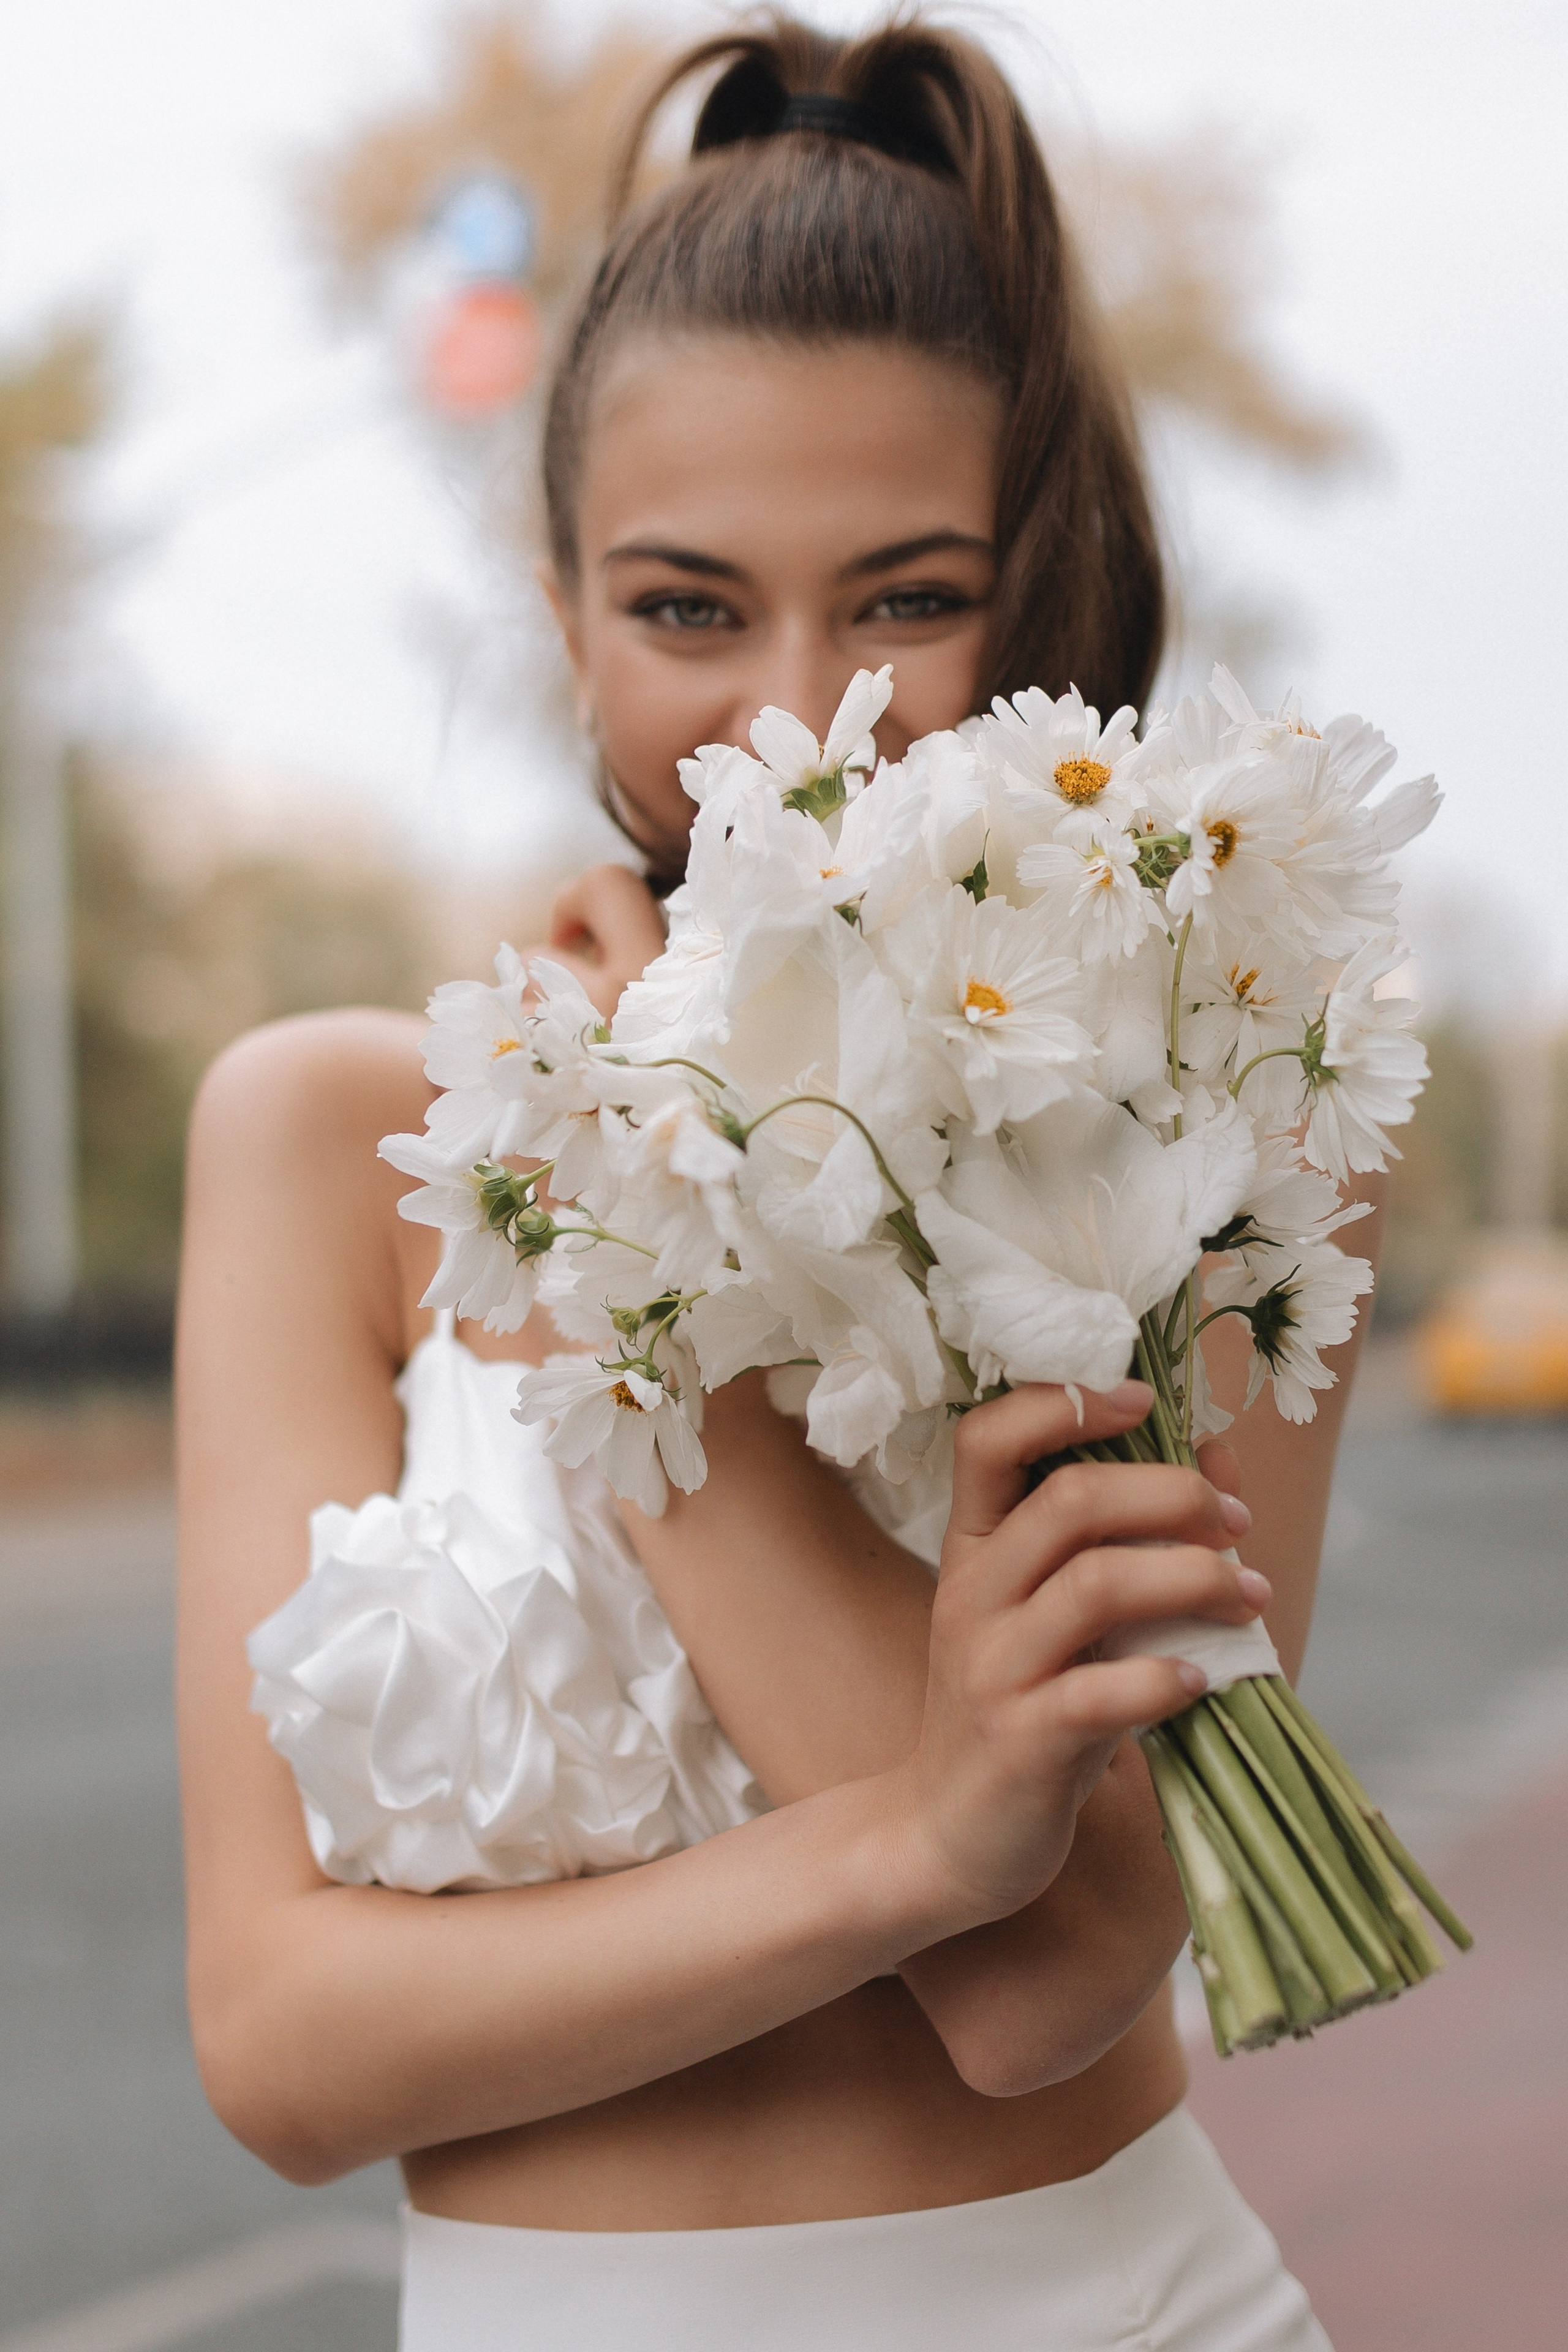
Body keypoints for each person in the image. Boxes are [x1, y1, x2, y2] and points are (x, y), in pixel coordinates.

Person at [178, 20, 1373, 2347]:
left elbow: (1052, 1981)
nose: (798, 721)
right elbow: (285, 2050)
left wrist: (619, 1236)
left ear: (1044, 591)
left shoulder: (1202, 1092)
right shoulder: (333, 1135)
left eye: (906, 600)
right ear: (566, 614)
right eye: (689, 609)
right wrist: (916, 1843)